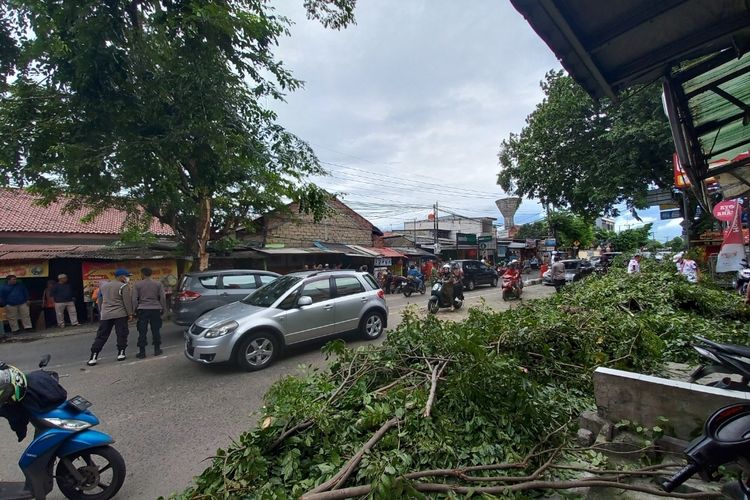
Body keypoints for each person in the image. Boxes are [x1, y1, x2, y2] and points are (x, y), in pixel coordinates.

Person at [87, 269, 134, 366]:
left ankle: (93, 356)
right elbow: (127, 301)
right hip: (120, 314)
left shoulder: (104, 286)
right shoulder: (123, 286)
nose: (128, 278)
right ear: (121, 277)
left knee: (101, 335)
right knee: (121, 333)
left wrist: (101, 312)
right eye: (127, 276)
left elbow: (100, 300)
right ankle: (121, 353)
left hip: (106, 315)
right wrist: (130, 314)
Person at [133, 267, 166, 359]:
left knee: (142, 331)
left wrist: (134, 310)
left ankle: (142, 352)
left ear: (142, 274)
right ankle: (157, 349)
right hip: (155, 308)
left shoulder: (137, 285)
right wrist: (163, 308)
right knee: (156, 329)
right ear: (151, 274)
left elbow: (134, 299)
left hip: (143, 309)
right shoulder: (158, 284)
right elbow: (162, 297)